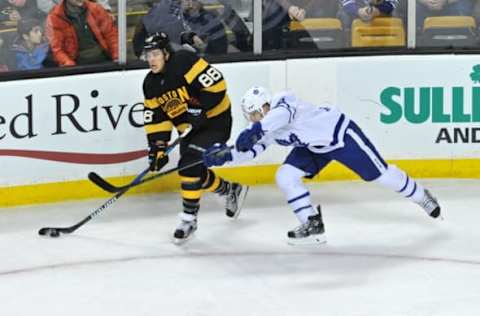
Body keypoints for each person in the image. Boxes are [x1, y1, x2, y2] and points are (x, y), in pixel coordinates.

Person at [202, 86, 442, 245]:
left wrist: (257, 129)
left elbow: (277, 119)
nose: (253, 119)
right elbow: (252, 149)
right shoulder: (264, 127)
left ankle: (422, 196)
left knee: (381, 175)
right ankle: (312, 224)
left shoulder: (283, 102)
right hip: (313, 147)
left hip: (340, 136)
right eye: (251, 117)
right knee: (285, 176)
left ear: (265, 106)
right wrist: (225, 157)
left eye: (255, 114)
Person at [141, 32, 247, 244]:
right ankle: (230, 189)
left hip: (215, 122)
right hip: (189, 130)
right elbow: (156, 119)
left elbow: (216, 85)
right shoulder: (150, 84)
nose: (151, 59)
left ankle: (188, 219)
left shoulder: (184, 61)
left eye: (155, 54)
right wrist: (157, 148)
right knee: (193, 168)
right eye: (147, 55)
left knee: (188, 166)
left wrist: (198, 111)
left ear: (166, 53)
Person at [44, 0, 118, 66]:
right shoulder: (55, 17)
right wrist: (70, 66)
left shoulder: (95, 8)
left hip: (103, 60)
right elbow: (57, 49)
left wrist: (116, 57)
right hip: (77, 66)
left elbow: (111, 35)